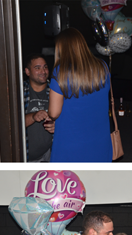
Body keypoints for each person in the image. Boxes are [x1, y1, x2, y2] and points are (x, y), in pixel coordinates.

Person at [48, 27, 112, 162]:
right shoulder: (103, 67)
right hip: (100, 139)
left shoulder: (59, 72)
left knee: (69, 181)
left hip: (71, 141)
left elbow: (54, 113)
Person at [23, 53, 54, 162]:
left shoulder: (55, 91)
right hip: (24, 159)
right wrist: (33, 117)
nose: (43, 71)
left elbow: (69, 121)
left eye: (45, 67)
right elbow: (11, 126)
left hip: (48, 156)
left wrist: (58, 126)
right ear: (27, 72)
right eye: (37, 68)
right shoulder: (19, 91)